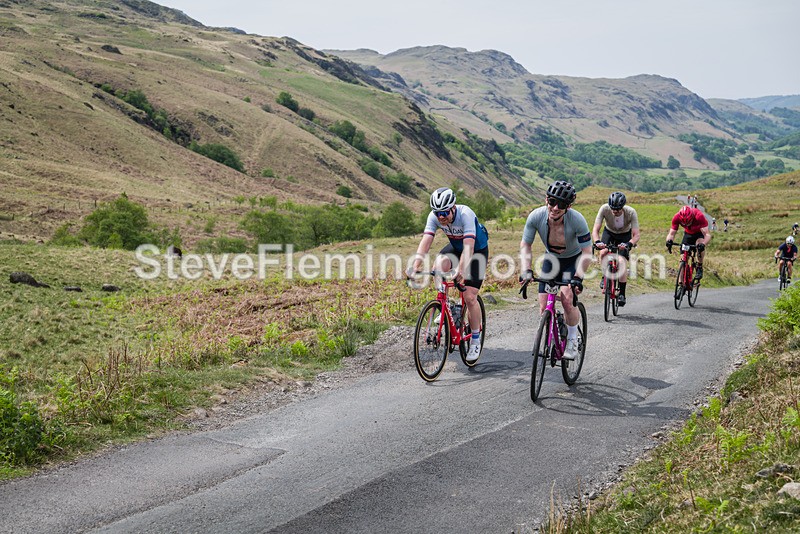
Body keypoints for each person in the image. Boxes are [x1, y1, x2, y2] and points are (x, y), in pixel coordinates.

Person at [408, 187, 489, 362]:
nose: (441, 217)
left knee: (469, 297)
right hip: (456, 248)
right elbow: (426, 242)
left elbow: (469, 247)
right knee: (438, 267)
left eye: (445, 212)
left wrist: (461, 271)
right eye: (438, 213)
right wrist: (415, 266)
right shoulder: (434, 217)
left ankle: (475, 339)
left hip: (476, 251)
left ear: (453, 208)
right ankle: (446, 304)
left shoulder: (465, 214)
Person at [520, 181, 592, 360]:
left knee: (567, 299)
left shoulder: (577, 220)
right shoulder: (536, 216)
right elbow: (526, 244)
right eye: (552, 202)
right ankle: (555, 321)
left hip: (572, 259)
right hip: (551, 260)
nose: (555, 208)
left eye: (561, 205)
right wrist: (526, 270)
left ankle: (573, 339)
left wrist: (578, 277)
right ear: (546, 199)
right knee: (544, 305)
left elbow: (587, 252)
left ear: (568, 207)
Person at [591, 191, 640, 306]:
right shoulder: (604, 209)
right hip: (609, 233)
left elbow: (636, 235)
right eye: (613, 209)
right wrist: (597, 241)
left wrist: (630, 243)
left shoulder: (631, 212)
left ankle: (622, 293)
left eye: (617, 210)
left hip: (624, 235)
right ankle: (605, 276)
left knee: (622, 261)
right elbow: (595, 230)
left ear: (622, 207)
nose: (615, 212)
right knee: (603, 252)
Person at [666, 205, 712, 279]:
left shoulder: (699, 216)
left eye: (689, 221)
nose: (687, 224)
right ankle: (680, 284)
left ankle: (699, 266)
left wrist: (703, 244)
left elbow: (707, 235)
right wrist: (669, 241)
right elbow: (671, 234)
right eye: (684, 223)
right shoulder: (676, 217)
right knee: (683, 259)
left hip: (699, 233)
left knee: (699, 245)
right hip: (688, 234)